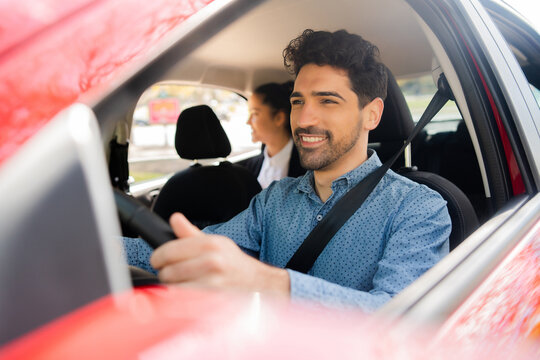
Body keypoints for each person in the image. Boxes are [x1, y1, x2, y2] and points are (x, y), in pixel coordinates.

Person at [124, 29, 451, 311]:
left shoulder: (418, 208)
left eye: (327, 101)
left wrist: (265, 281)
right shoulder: (274, 201)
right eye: (298, 101)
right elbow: (194, 250)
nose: (304, 119)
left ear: (372, 115)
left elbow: (400, 318)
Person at [239, 82, 306, 188]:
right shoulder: (250, 167)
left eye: (255, 113)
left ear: (279, 118)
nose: (248, 121)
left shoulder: (307, 167)